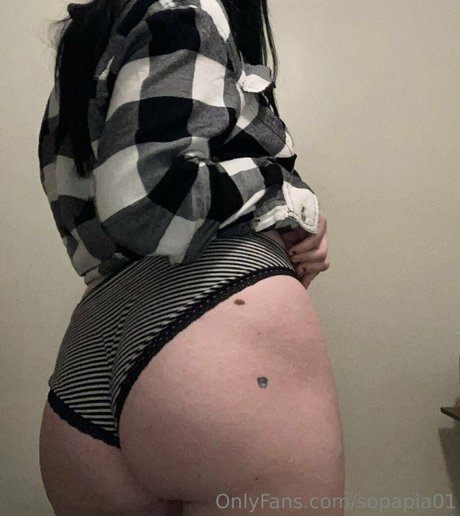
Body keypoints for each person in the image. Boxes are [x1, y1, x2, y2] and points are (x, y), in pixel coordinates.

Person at [38, 0, 345, 514]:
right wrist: (285, 195)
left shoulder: (90, 32)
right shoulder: (183, 9)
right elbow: (148, 201)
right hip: (211, 319)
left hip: (94, 345)